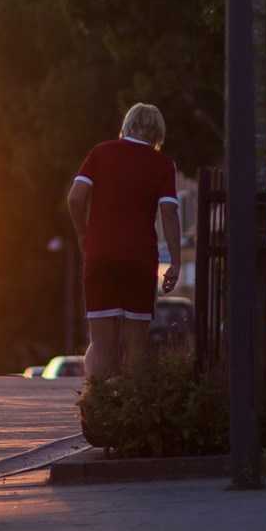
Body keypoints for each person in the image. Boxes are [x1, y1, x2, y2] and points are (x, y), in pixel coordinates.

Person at [66, 102, 182, 380]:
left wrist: (84, 234)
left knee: (102, 345)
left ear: (127, 125)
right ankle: (131, 409)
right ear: (158, 133)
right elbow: (169, 212)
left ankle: (98, 406)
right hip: (140, 260)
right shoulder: (163, 165)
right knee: (136, 345)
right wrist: (176, 261)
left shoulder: (100, 153)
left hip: (100, 255)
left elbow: (75, 198)